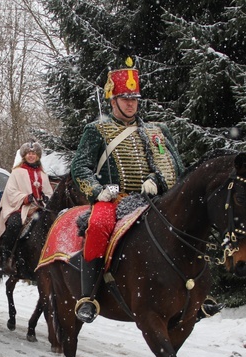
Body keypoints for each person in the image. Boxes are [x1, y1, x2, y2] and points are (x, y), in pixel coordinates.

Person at [70, 57, 187, 323]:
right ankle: (88, 296)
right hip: (114, 198)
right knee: (98, 225)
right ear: (113, 101)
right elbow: (80, 167)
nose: (131, 103)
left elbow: (174, 166)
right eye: (125, 98)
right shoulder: (96, 130)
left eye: (134, 98)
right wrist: (98, 190)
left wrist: (157, 181)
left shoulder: (157, 132)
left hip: (152, 199)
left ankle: (196, 291)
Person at [0, 141, 54, 273]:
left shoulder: (43, 174)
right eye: (28, 154)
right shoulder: (17, 172)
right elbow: (10, 192)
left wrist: (46, 197)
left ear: (38, 156)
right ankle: (6, 256)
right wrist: (26, 197)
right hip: (21, 208)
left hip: (39, 208)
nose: (31, 156)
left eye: (33, 153)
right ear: (24, 156)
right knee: (14, 224)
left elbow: (49, 192)